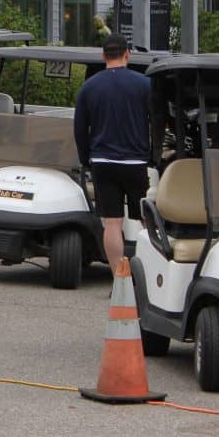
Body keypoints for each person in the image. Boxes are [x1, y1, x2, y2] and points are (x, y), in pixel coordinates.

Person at [73, 34, 151, 270]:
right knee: (146, 219)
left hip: (102, 161)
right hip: (135, 160)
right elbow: (156, 120)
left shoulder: (89, 87)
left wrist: (86, 158)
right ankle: (149, 273)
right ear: (128, 54)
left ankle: (119, 278)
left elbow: (79, 128)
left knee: (112, 222)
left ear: (103, 56)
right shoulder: (144, 84)